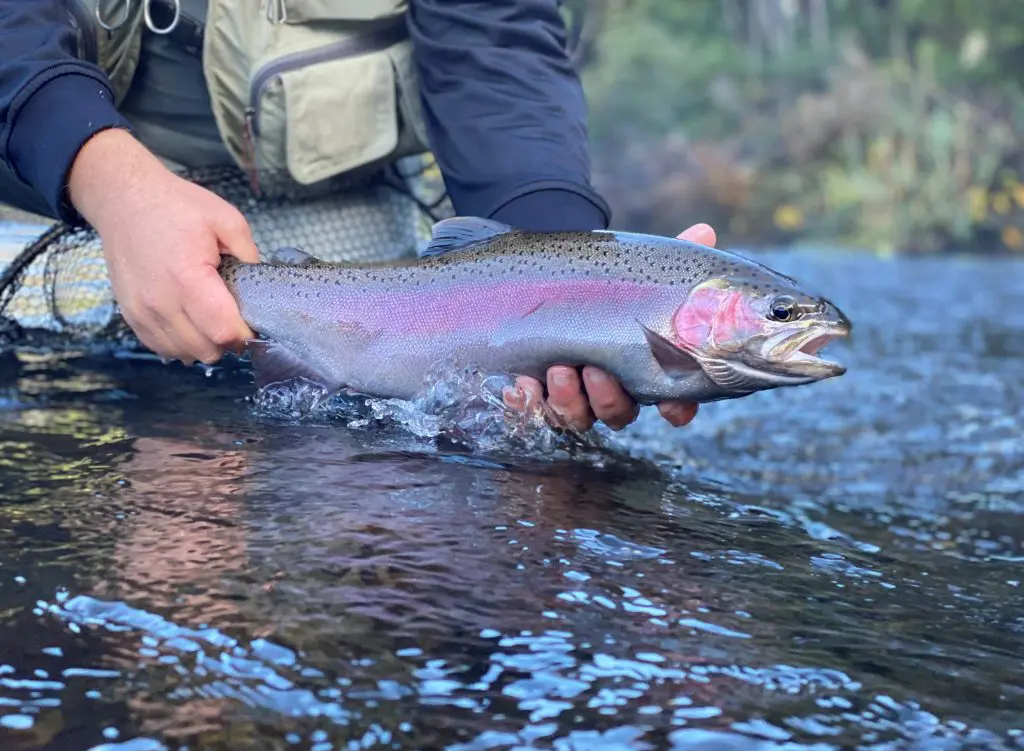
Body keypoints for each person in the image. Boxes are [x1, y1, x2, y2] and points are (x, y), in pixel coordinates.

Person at [0, 0, 711, 433]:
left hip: (336, 214)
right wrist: (111, 185)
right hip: (43, 176)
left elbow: (494, 51)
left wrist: (569, 265)